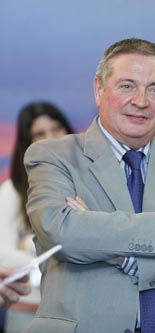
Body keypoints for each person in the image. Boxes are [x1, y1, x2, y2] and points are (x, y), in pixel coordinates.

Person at [23, 38, 155, 333]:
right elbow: (62, 234)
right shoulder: (52, 156)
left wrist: (124, 256)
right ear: (99, 89)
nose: (141, 101)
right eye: (127, 86)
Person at [0, 102, 73, 332]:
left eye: (56, 128)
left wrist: (30, 246)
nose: (51, 138)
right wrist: (58, 256)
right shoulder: (13, 189)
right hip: (27, 310)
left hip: (76, 309)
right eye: (39, 134)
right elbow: (2, 253)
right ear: (26, 143)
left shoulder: (86, 184)